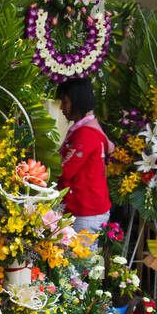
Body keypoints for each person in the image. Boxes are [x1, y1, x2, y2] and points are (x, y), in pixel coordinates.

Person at [56, 79, 116, 236]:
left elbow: (65, 171)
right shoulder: (83, 130)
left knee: (80, 259)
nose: (62, 107)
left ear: (77, 102)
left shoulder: (85, 134)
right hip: (86, 209)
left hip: (86, 213)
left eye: (65, 102)